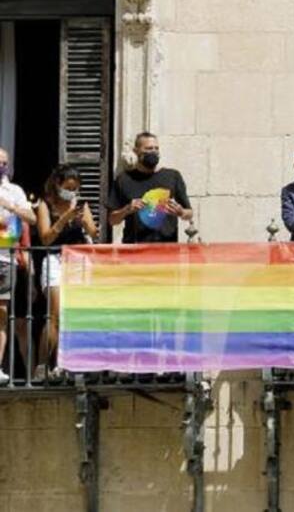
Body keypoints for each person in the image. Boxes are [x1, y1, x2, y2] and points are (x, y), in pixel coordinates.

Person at [34, 165, 98, 379]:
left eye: (75, 188)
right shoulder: (45, 205)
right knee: (55, 314)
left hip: (78, 260)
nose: (71, 192)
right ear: (57, 184)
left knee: (75, 315)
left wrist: (86, 223)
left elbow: (93, 232)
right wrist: (64, 219)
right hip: (55, 259)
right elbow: (45, 238)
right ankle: (42, 365)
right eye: (68, 188)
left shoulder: (80, 204)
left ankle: (68, 365)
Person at [108, 132, 192, 244]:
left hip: (167, 247)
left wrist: (181, 212)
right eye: (148, 148)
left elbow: (189, 213)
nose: (153, 152)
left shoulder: (173, 176)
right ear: (136, 151)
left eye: (156, 148)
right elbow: (112, 220)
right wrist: (127, 209)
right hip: (134, 248)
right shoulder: (123, 179)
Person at [0, 147, 35, 384]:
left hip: (6, 259)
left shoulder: (14, 191)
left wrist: (10, 207)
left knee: (2, 314)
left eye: (4, 163)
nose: (1, 166)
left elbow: (31, 218)